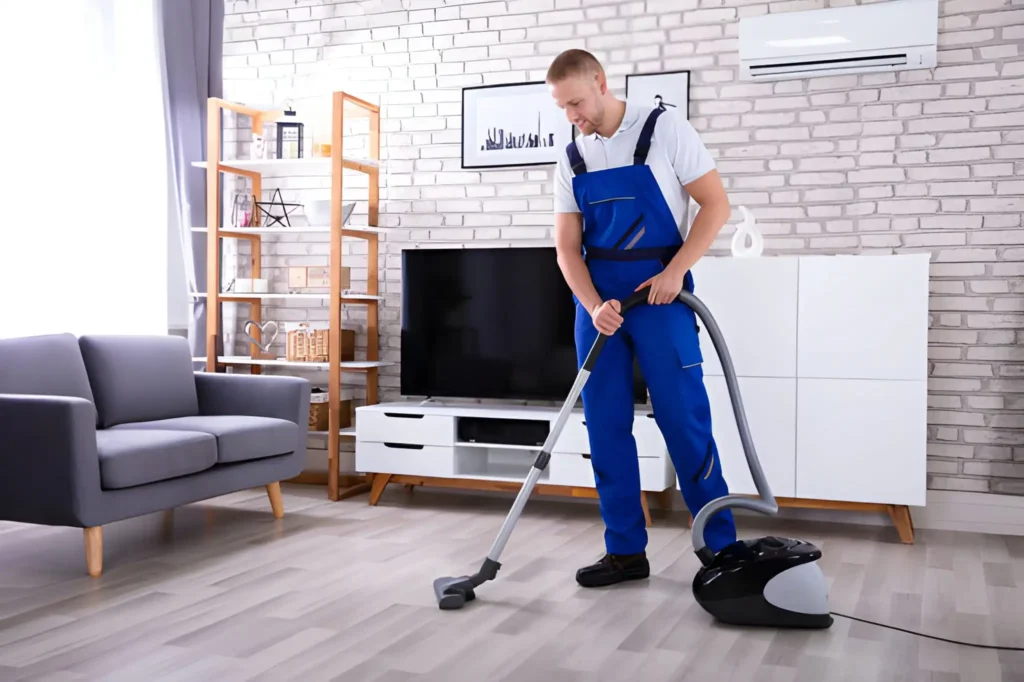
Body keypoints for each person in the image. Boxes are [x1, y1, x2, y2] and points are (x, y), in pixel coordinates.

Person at [547, 49, 737, 588]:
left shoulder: (663, 128)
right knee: (606, 428)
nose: (572, 116)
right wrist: (592, 306)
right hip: (599, 305)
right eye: (562, 107)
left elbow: (715, 205)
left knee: (685, 420)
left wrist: (676, 272)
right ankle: (626, 551)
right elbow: (566, 248)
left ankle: (721, 549)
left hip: (661, 294)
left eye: (577, 102)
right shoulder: (572, 156)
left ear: (601, 83)